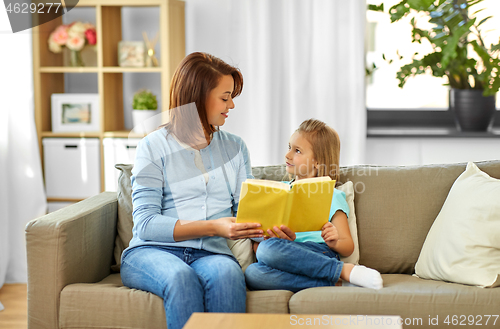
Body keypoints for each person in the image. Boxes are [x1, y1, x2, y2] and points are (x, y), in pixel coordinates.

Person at [120, 52, 264, 329]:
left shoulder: (235, 148)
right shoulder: (153, 146)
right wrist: (213, 227)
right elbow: (146, 225)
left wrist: (270, 229)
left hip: (211, 254)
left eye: (232, 96)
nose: (231, 105)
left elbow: (246, 211)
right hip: (153, 252)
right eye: (225, 97)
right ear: (197, 99)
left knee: (228, 276)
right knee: (179, 277)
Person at [245, 119, 383, 292]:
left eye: (297, 151)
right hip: (287, 253)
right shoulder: (279, 191)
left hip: (319, 252)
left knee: (265, 250)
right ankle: (337, 281)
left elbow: (348, 246)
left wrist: (334, 241)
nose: (288, 155)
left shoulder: (331, 194)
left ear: (317, 161)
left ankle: (342, 269)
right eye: (289, 147)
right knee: (253, 273)